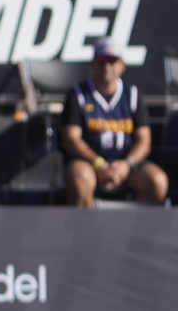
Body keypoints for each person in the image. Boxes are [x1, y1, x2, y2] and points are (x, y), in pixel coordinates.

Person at [61, 38, 166, 208]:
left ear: (122, 65)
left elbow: (144, 141)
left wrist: (127, 165)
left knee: (157, 180)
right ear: (93, 65)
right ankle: (82, 232)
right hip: (90, 163)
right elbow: (71, 139)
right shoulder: (78, 95)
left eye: (112, 61)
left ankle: (140, 232)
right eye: (101, 61)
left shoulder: (132, 95)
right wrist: (99, 164)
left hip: (126, 163)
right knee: (80, 178)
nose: (106, 66)